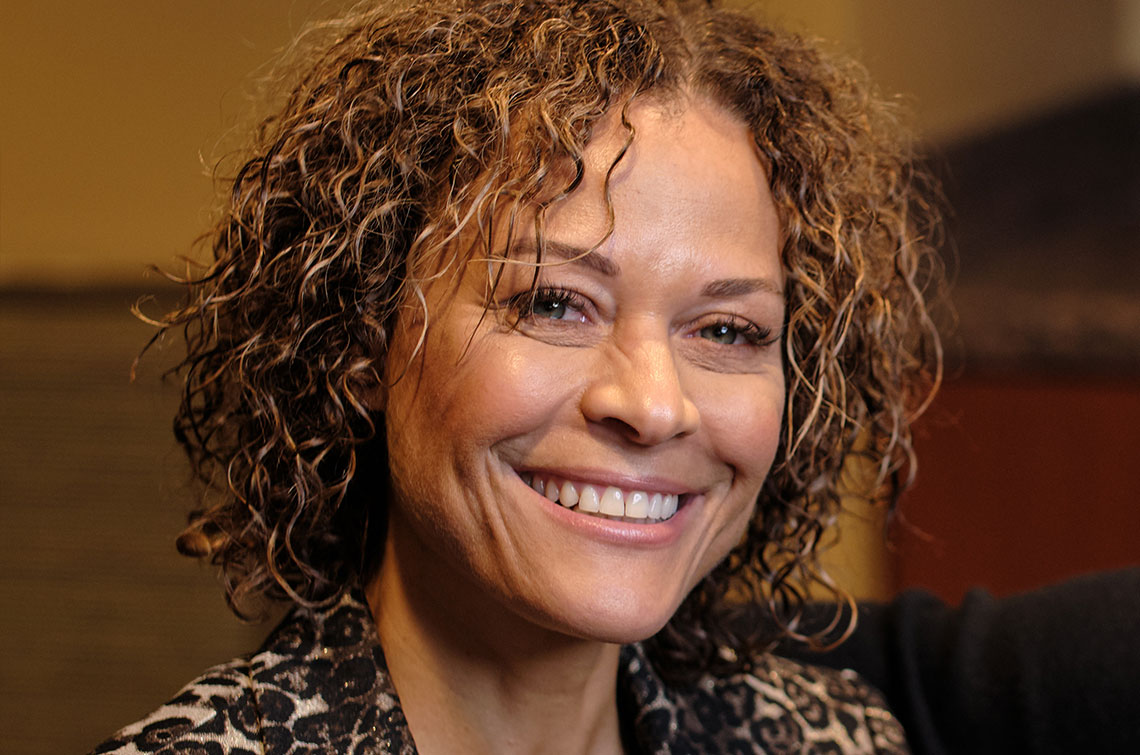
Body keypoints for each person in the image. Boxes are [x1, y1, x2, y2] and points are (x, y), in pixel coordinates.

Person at [93, 0, 942, 752]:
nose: (652, 404)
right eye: (551, 303)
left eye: (727, 328)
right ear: (362, 347)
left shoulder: (829, 737)